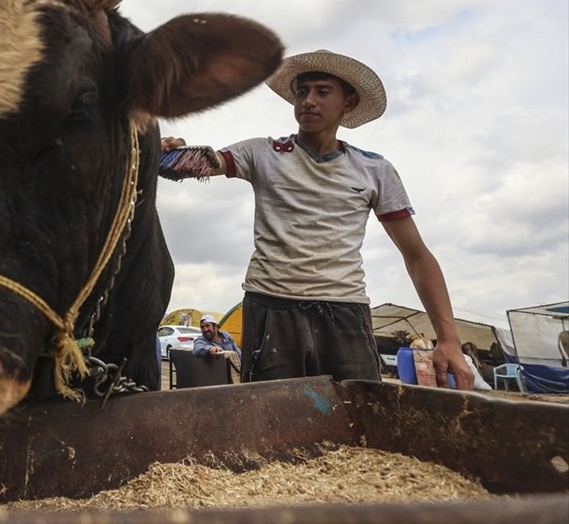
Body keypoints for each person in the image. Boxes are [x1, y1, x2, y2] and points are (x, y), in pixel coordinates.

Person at [162, 49, 473, 390]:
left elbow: (417, 255)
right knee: (272, 412)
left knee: (356, 411)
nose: (308, 101)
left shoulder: (374, 169)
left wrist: (449, 340)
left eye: (322, 91)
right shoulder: (263, 153)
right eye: (301, 92)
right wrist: (165, 153)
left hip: (345, 312)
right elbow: (202, 163)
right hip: (272, 308)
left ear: (348, 103)